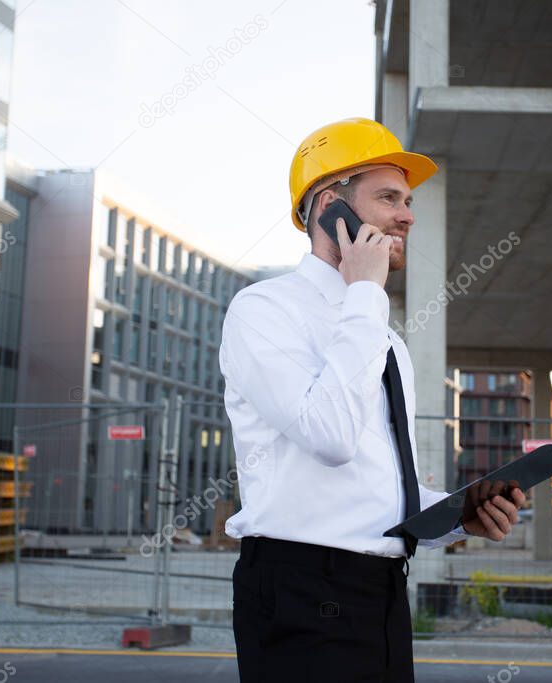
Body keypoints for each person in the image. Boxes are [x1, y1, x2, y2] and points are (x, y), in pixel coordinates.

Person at [219, 117, 527, 682]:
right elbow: (331, 439)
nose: (408, 214)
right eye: (388, 197)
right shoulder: (263, 311)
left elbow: (379, 485)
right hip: (298, 587)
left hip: (381, 593)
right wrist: (365, 291)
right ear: (330, 207)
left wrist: (462, 516)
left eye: (408, 200)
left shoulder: (382, 338)